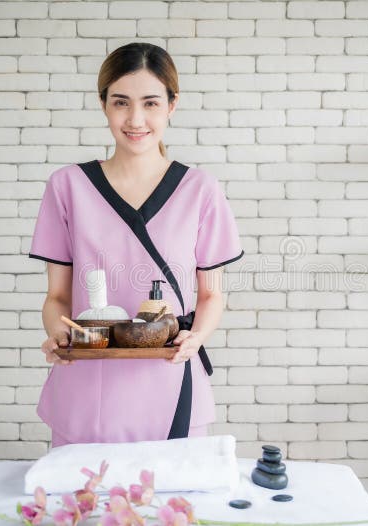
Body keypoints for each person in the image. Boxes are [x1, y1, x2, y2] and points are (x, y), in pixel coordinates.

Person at [28, 43, 243, 447]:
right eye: (121, 102)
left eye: (151, 103)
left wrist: (195, 338)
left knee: (174, 508)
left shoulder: (200, 190)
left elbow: (212, 295)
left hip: (170, 381)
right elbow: (57, 297)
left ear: (172, 106)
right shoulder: (68, 187)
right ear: (103, 104)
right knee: (84, 506)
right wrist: (61, 336)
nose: (136, 119)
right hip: (88, 389)